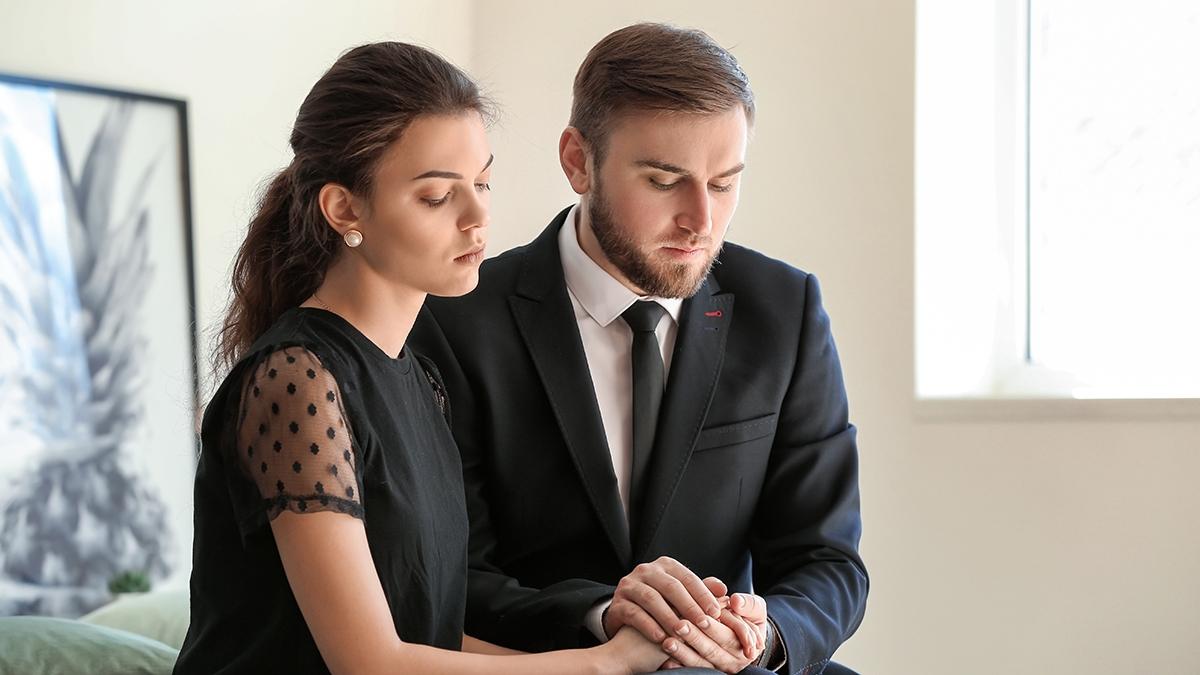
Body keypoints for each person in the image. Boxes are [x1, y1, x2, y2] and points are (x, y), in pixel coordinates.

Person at [174, 41, 671, 675]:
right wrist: (608, 667)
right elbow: (371, 663)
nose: (477, 218)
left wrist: (606, 655)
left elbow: (428, 639)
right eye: (437, 197)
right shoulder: (297, 380)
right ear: (344, 208)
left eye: (483, 182)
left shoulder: (420, 377)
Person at [409, 23, 868, 675]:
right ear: (578, 161)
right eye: (664, 180)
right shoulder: (458, 321)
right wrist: (603, 615)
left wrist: (762, 636)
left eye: (724, 182)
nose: (700, 221)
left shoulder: (784, 310)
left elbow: (827, 561)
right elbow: (453, 573)